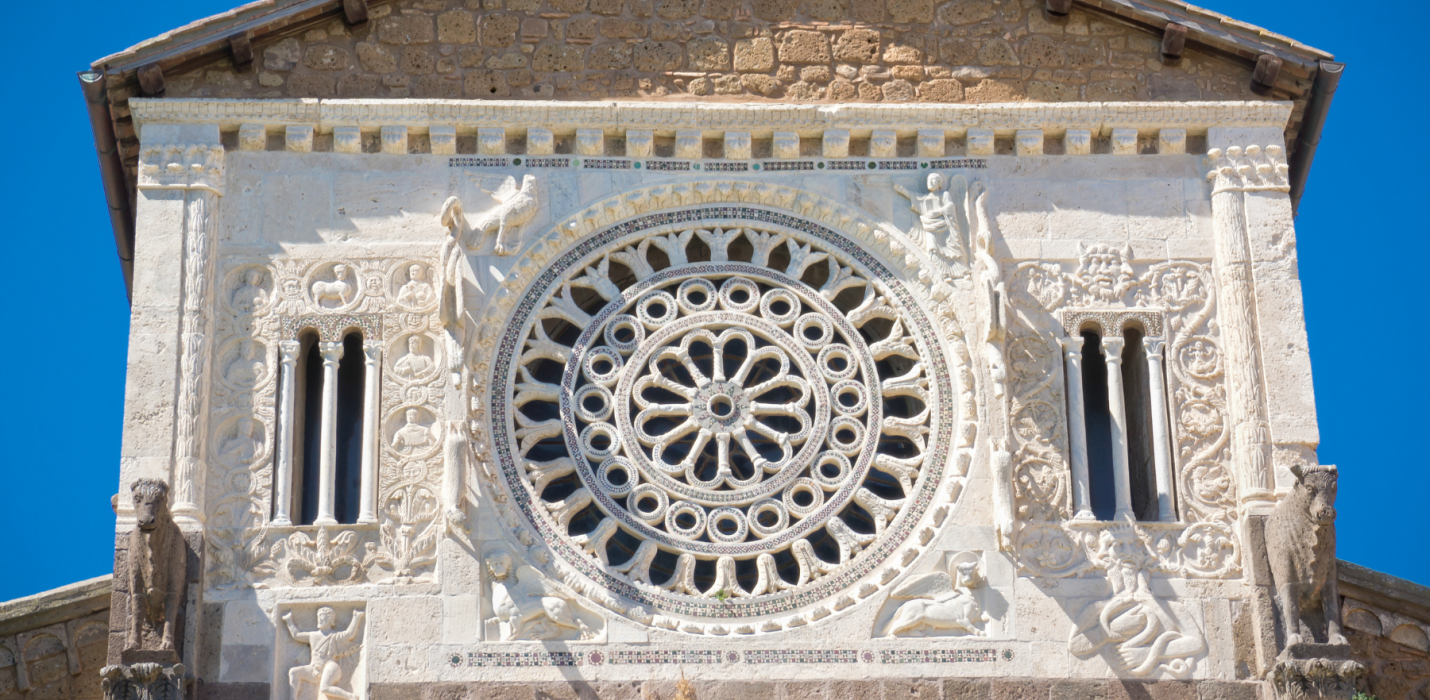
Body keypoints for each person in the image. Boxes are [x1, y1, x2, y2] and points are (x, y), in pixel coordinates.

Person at [284, 607, 365, 700]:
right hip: (314, 669)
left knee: (324, 688)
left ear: (330, 619)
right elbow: (296, 635)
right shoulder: (312, 636)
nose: (320, 618)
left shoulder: (334, 636)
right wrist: (288, 620)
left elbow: (349, 634)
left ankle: (350, 696)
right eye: (319, 616)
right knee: (293, 672)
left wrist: (356, 617)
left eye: (323, 616)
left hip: (330, 666)